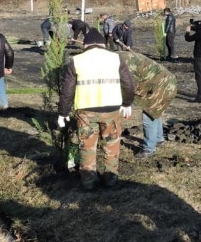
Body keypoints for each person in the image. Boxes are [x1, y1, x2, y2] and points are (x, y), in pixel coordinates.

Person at [58, 28, 134, 191]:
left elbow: (67, 90)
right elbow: (128, 83)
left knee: (87, 147)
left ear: (85, 45)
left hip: (86, 111)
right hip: (112, 110)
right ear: (102, 44)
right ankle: (111, 181)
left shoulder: (76, 60)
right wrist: (127, 103)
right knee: (111, 145)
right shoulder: (115, 58)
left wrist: (63, 112)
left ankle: (88, 183)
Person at [117, 50, 177, 159]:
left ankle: (149, 149)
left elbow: (130, 85)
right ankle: (158, 139)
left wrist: (126, 103)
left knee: (148, 115)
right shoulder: (119, 56)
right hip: (162, 83)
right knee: (154, 113)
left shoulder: (123, 63)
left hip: (162, 86)